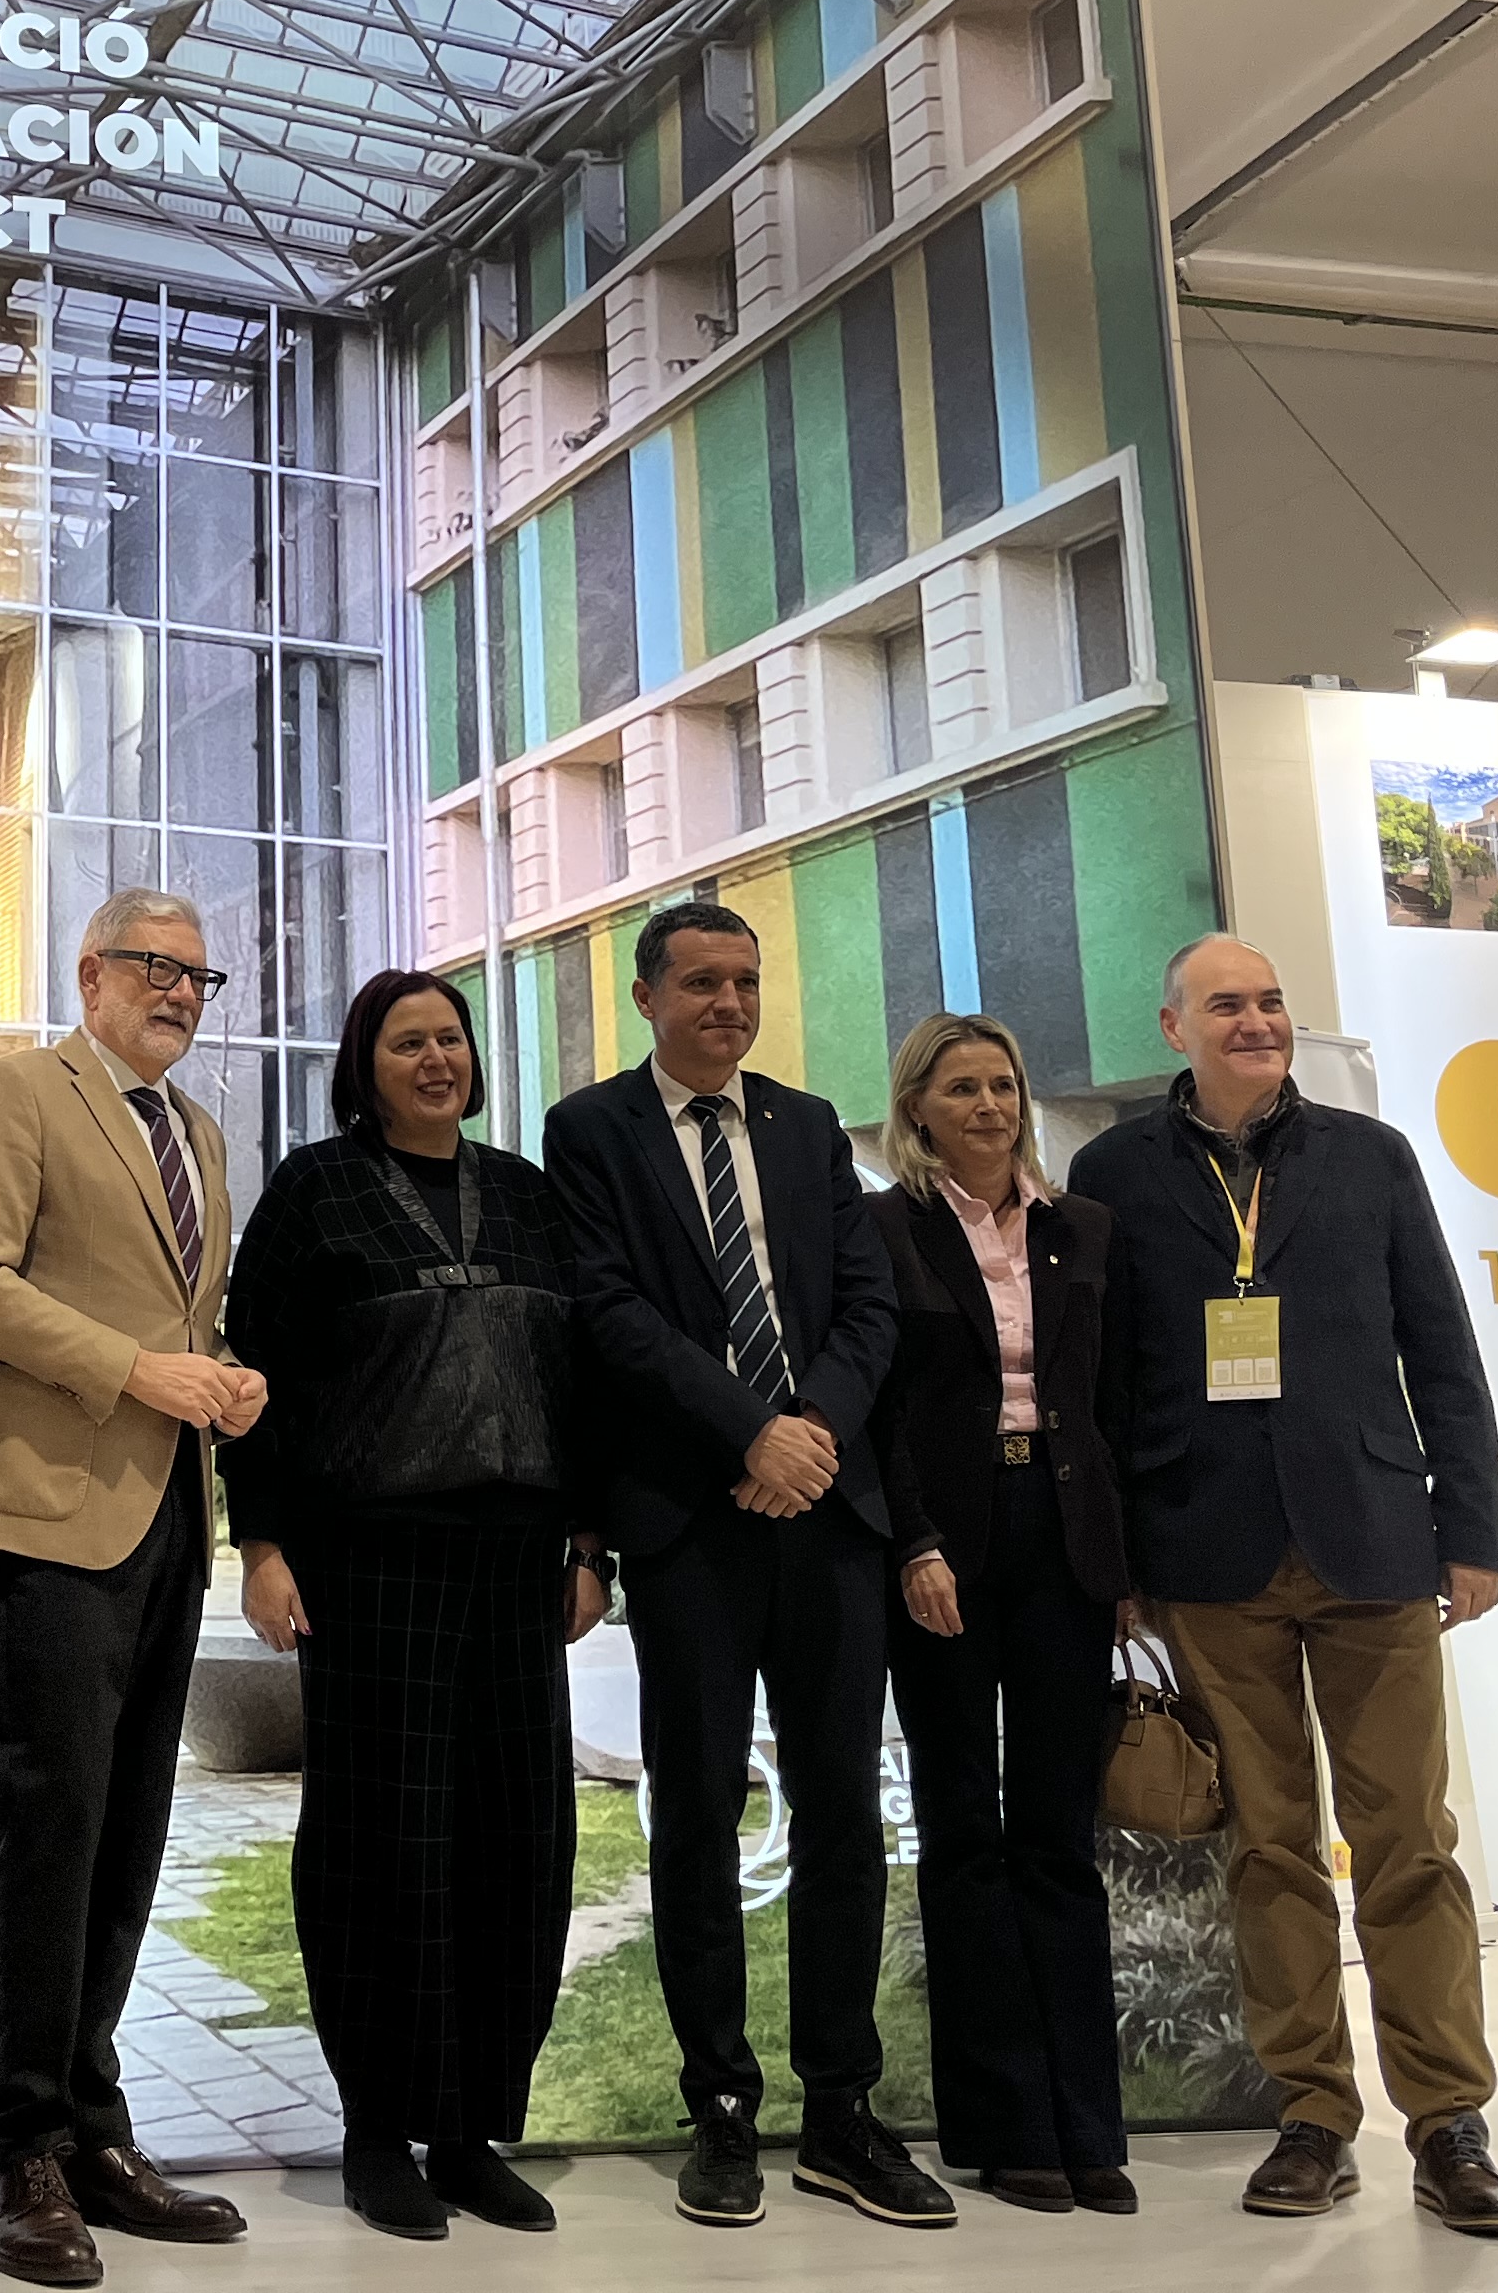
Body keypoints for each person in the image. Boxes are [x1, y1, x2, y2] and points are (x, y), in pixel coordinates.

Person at [1070, 936, 1498, 2236]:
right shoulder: (1113, 1174)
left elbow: (1442, 1348)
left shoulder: (1373, 1157)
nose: (1257, 1021)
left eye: (1270, 1002)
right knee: (1268, 1849)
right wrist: (1119, 1567)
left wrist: (1473, 1530)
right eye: (1228, 1005)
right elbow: (1104, 1384)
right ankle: (1314, 2113)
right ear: (1176, 1029)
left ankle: (1449, 2123)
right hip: (1206, 1552)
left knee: (1410, 1842)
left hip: (1372, 1539)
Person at [545, 903, 940, 2229]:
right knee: (699, 1816)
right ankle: (719, 2105)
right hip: (690, 1519)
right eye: (703, 982)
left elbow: (867, 1304)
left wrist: (811, 1429)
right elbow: (609, 1316)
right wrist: (748, 1431)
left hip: (826, 1511)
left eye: (746, 982)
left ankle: (841, 2111)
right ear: (647, 996)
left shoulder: (808, 1127)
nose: (729, 1003)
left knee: (841, 1818)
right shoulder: (590, 1131)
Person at [0, 887, 268, 2290]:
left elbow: (183, 1319)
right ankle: (25, 2152)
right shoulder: (20, 1095)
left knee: (130, 1837)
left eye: (198, 974)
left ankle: (95, 2123)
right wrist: (136, 1370)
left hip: (171, 1516)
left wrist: (222, 1375)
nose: (179, 991)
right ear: (91, 973)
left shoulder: (198, 1133)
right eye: (155, 966)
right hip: (49, 1518)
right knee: (53, 1835)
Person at [224, 971, 600, 2244]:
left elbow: (580, 1382)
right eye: (407, 1043)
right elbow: (257, 1378)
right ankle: (377, 2133)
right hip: (368, 1568)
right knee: (381, 1846)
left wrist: (587, 1544)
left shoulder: (530, 1196)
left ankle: (470, 2131)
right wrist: (262, 1544)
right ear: (365, 1065)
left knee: (515, 1843)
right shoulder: (314, 1192)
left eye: (450, 1039)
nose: (436, 1059)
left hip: (518, 1569)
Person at [863, 1012, 1136, 2215]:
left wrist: (1123, 1564)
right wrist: (912, 1542)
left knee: (1060, 1836)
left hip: (1065, 1543)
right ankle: (1003, 2123)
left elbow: (1115, 1399)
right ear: (917, 1109)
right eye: (962, 1088)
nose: (988, 1106)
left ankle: (1088, 2124)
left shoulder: (1084, 1230)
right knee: (965, 1827)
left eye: (1003, 1085)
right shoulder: (884, 1232)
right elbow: (879, 1407)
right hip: (946, 1552)